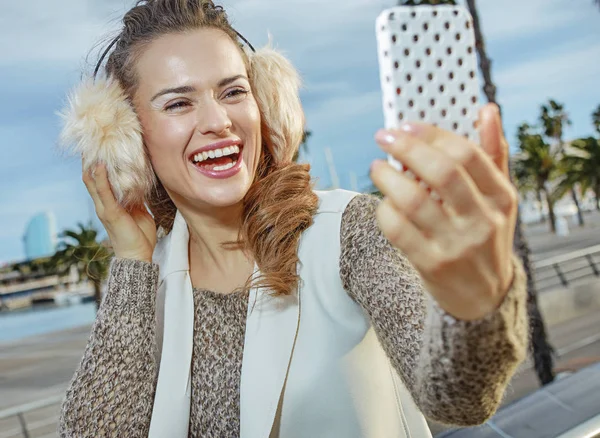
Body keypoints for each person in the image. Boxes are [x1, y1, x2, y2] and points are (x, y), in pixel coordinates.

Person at [57, 1, 528, 437]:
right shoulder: (145, 285)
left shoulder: (348, 230)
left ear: (264, 102)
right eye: (179, 103)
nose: (218, 120)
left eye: (233, 91)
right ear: (127, 139)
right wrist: (131, 262)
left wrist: (474, 306)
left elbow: (457, 398)